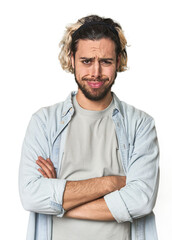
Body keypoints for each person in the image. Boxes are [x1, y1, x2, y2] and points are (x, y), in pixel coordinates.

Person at [19, 14, 160, 240]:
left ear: (119, 61)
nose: (95, 73)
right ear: (72, 59)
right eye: (86, 61)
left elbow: (140, 201)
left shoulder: (141, 124)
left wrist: (58, 203)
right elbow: (31, 196)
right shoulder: (44, 122)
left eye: (105, 62)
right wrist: (112, 183)